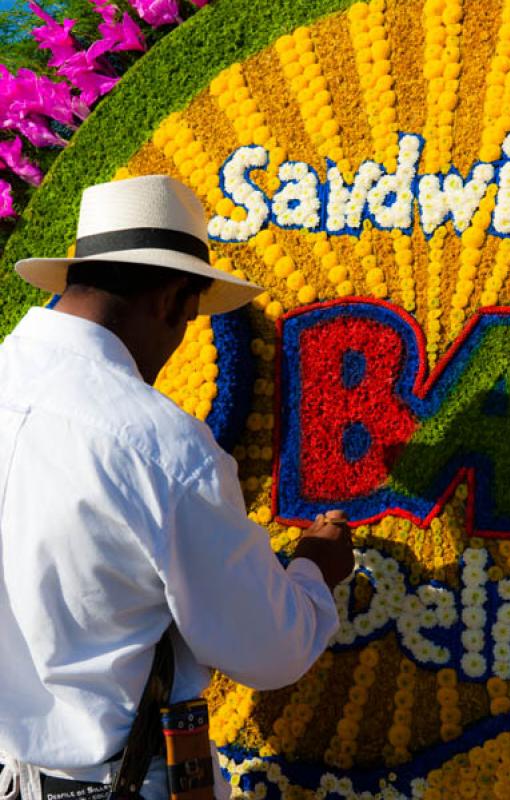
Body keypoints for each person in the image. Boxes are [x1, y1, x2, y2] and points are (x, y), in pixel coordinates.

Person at [0, 175, 354, 800]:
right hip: (115, 782)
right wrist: (313, 571)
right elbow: (269, 649)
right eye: (189, 316)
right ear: (170, 302)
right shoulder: (158, 446)